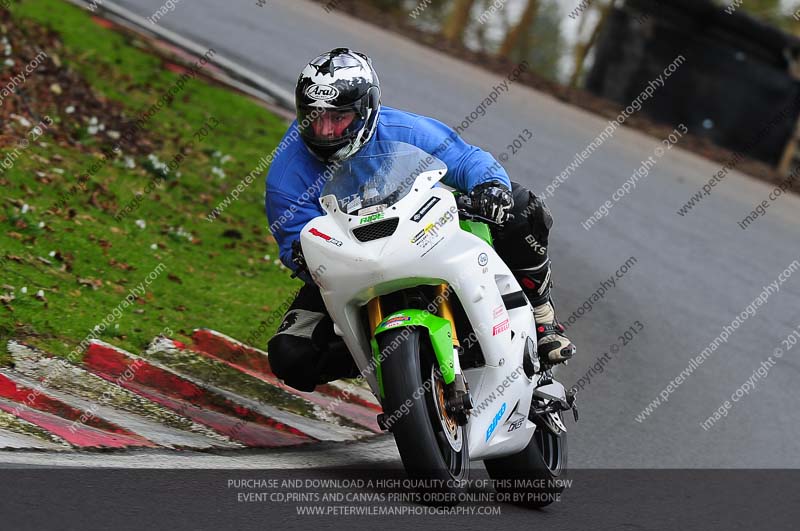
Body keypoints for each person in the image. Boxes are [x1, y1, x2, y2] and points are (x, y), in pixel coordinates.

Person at [265, 48, 575, 392]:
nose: (325, 131)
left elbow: (468, 160)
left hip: (422, 232)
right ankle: (391, 364)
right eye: (314, 117)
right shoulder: (285, 171)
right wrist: (302, 256)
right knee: (290, 355)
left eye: (338, 118)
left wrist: (490, 187)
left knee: (519, 207)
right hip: (351, 261)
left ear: (366, 110)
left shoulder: (403, 128)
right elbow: (294, 237)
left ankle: (542, 314)